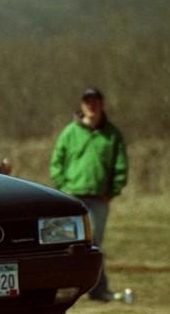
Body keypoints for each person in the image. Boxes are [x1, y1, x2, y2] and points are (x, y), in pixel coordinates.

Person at [49, 87, 128, 302]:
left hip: (98, 198)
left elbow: (121, 165)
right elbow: (57, 162)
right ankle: (60, 287)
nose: (91, 106)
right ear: (82, 106)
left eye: (95, 101)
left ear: (102, 104)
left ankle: (98, 288)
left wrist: (112, 190)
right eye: (87, 102)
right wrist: (63, 185)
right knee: (64, 243)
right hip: (71, 197)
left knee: (93, 244)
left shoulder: (112, 134)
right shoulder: (70, 132)